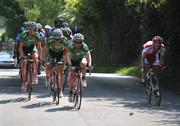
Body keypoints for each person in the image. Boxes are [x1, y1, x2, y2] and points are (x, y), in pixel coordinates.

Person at [43, 28, 71, 97]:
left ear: (61, 37)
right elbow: (46, 51)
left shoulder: (65, 41)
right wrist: (43, 59)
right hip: (51, 53)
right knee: (48, 66)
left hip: (61, 54)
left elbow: (67, 53)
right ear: (53, 38)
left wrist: (68, 62)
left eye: (59, 39)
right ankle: (48, 77)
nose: (57, 40)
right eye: (56, 39)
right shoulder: (50, 40)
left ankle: (60, 90)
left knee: (61, 71)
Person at [67, 33, 93, 102]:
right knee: (72, 76)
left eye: (80, 42)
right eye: (76, 42)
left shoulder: (85, 46)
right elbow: (68, 57)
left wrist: (90, 65)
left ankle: (83, 79)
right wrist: (69, 65)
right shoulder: (71, 46)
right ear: (73, 41)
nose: (78, 43)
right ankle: (70, 92)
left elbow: (88, 56)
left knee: (83, 63)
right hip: (72, 61)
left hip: (81, 59)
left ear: (82, 41)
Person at [19, 21, 42, 90]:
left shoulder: (37, 35)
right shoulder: (24, 34)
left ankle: (35, 76)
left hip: (32, 48)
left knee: (36, 58)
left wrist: (40, 57)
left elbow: (39, 47)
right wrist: (22, 56)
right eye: (34, 30)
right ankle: (23, 82)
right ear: (29, 30)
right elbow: (20, 47)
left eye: (36, 30)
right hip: (24, 48)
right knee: (24, 64)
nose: (36, 31)